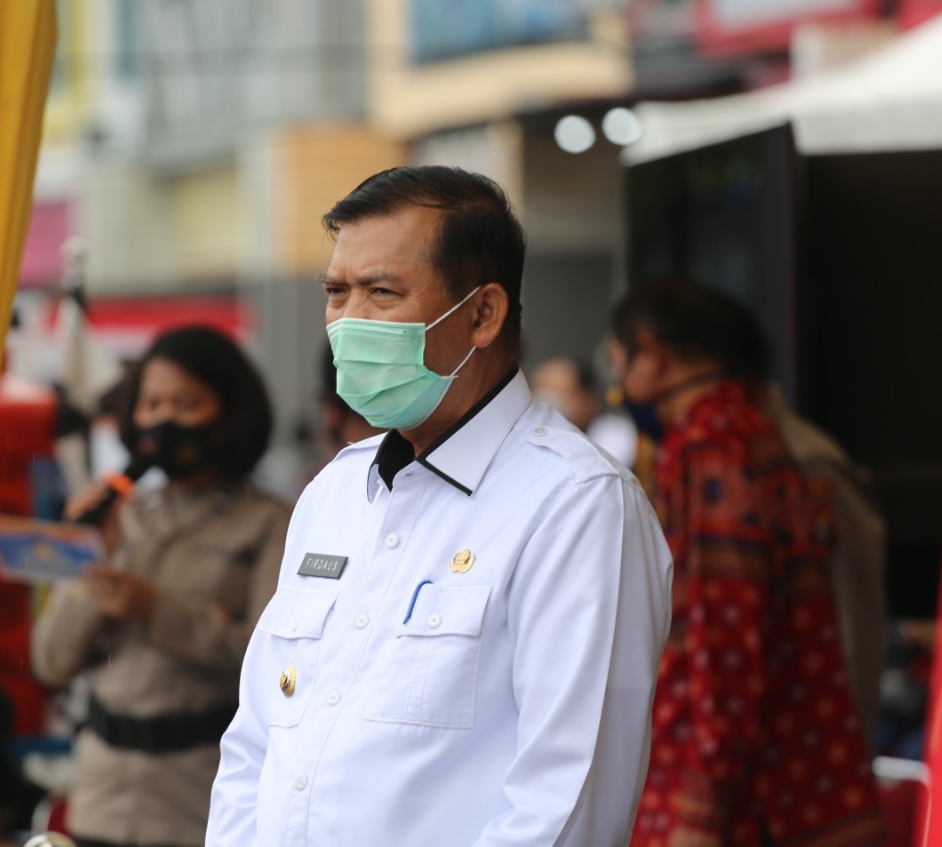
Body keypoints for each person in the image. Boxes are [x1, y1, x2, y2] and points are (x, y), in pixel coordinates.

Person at [207, 166, 673, 846]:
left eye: (382, 292)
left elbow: (564, 807)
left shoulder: (576, 505)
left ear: (483, 313)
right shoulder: (336, 492)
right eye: (337, 292)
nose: (348, 322)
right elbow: (256, 743)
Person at [609, 280, 884, 846]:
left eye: (619, 365)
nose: (619, 389)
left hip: (743, 805)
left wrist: (699, 813)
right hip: (789, 784)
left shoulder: (709, 448)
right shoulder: (751, 433)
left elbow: (726, 639)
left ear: (652, 353)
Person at [32, 325, 292, 847]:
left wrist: (155, 609)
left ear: (227, 414)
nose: (163, 419)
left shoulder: (270, 523)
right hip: (101, 798)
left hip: (198, 800)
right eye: (151, 403)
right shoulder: (121, 517)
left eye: (185, 403)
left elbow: (270, 668)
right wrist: (89, 552)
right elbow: (51, 661)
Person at [719, 295, 888, 751]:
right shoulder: (719, 463)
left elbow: (853, 614)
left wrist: (845, 745)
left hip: (810, 745)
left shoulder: (808, 463)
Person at [531, 355, 638, 466]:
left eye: (562, 397)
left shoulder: (615, 435)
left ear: (588, 397)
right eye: (542, 397)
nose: (550, 408)